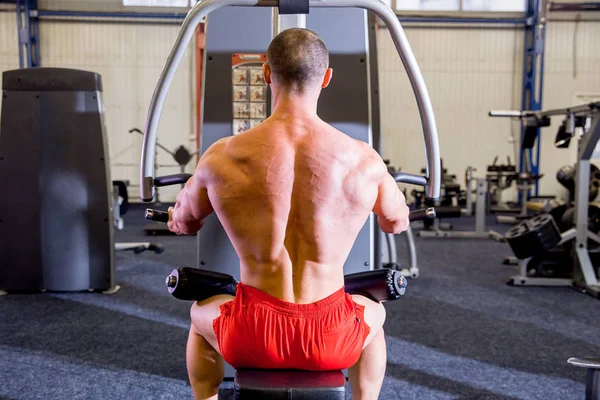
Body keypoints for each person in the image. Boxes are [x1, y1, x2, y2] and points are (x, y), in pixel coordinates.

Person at [168, 28, 410, 400]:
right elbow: (395, 222)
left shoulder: (221, 156)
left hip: (252, 336)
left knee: (200, 315)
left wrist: (179, 214)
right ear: (326, 78)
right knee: (373, 316)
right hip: (331, 338)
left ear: (266, 74)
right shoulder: (363, 159)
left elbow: (184, 223)